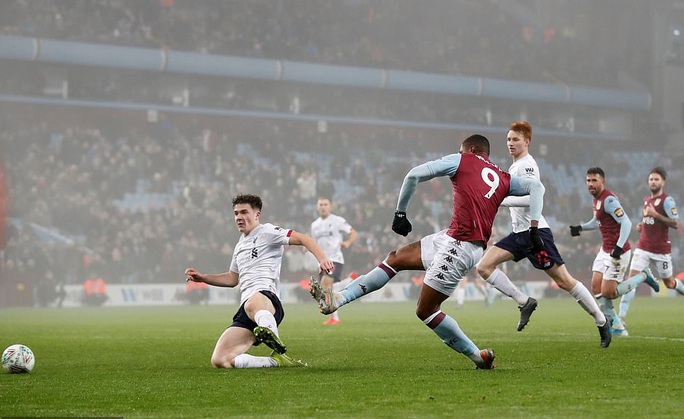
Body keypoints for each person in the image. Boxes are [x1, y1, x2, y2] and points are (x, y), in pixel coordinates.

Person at [311, 134, 546, 369]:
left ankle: (478, 356)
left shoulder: (463, 159)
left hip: (460, 245)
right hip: (456, 238)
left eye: (461, 151)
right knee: (396, 258)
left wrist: (400, 213)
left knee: (426, 310)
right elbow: (536, 187)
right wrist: (534, 227)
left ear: (470, 149)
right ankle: (338, 298)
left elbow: (413, 174)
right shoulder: (503, 177)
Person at [474, 121, 612, 348]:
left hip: (535, 233)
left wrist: (501, 200)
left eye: (515, 139)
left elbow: (533, 196)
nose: (511, 143)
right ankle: (524, 301)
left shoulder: (527, 165)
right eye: (508, 139)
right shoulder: (514, 167)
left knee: (564, 281)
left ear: (527, 142)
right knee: (483, 266)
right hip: (518, 234)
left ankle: (601, 320)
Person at [185, 194, 334, 369]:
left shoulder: (267, 232)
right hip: (248, 310)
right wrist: (203, 278)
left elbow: (304, 239)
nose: (239, 217)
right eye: (236, 213)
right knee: (220, 360)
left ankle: (272, 333)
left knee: (252, 302)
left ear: (257, 215)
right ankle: (276, 361)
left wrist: (322, 259)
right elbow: (233, 278)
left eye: (244, 212)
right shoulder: (240, 245)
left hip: (266, 300)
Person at [569, 167, 660, 337]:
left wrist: (618, 247)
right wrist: (581, 228)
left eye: (594, 180)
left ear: (603, 182)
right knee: (596, 288)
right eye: (588, 180)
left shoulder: (609, 200)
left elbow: (626, 223)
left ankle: (644, 276)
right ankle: (617, 325)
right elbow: (598, 222)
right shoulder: (596, 200)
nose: (590, 184)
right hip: (605, 250)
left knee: (609, 293)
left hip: (618, 252)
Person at [619, 167, 683, 325]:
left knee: (669, 283)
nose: (653, 182)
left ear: (663, 182)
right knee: (630, 281)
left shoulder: (667, 201)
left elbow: (675, 224)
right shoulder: (646, 200)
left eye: (656, 179)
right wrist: (644, 224)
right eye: (651, 179)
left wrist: (655, 215)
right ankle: (621, 318)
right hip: (643, 247)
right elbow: (651, 221)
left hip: (661, 251)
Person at [310, 196, 357, 324]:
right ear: (317, 207)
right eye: (321, 205)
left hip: (335, 258)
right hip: (321, 261)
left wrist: (347, 242)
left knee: (325, 285)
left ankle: (350, 280)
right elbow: (314, 243)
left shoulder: (337, 220)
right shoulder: (315, 225)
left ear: (330, 206)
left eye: (325, 204)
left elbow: (353, 232)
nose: (323, 207)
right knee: (328, 289)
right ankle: (350, 280)